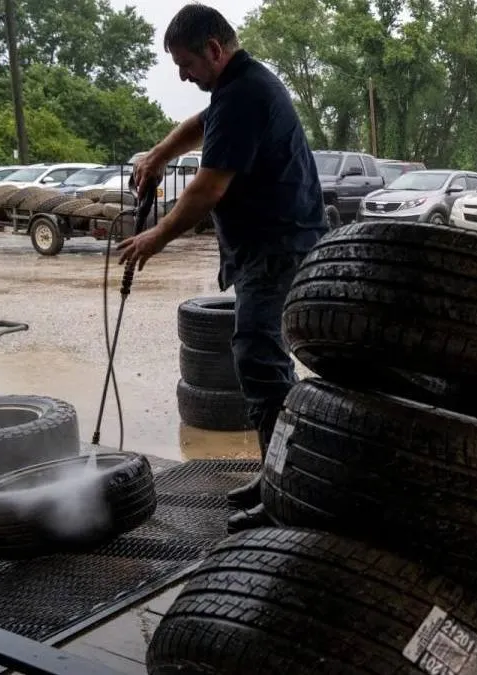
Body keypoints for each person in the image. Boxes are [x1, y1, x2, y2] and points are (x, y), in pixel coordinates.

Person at [118, 3, 325, 533]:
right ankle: (273, 473)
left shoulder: (247, 92)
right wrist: (161, 153)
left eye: (185, 63)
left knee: (258, 356)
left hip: (278, 245)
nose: (182, 75)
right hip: (266, 244)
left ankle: (286, 486)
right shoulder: (235, 89)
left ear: (214, 49)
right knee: (260, 355)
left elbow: (208, 188)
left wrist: (155, 237)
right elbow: (201, 123)